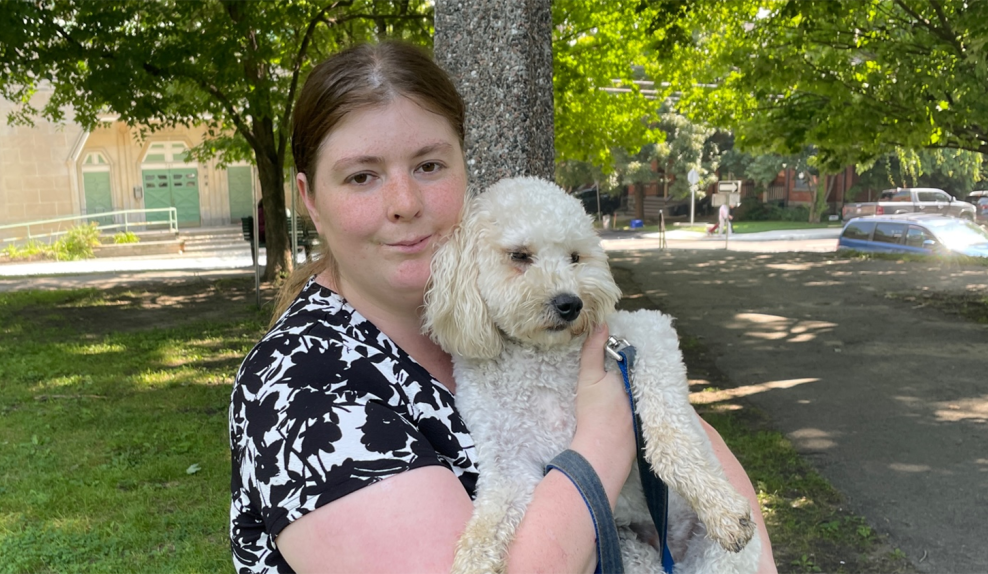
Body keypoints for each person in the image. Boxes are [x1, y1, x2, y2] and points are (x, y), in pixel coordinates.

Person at [229, 40, 776, 574]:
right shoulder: (299, 390)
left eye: (428, 166)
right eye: (361, 176)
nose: (405, 204)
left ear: (465, 169)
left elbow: (694, 440)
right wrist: (605, 440)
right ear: (309, 199)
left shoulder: (505, 317)